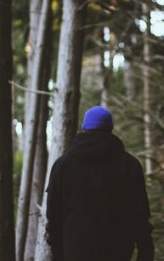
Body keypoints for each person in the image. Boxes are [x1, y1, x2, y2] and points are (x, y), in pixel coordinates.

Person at [46, 106, 154, 261]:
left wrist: (58, 255)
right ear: (110, 129)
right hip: (118, 254)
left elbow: (54, 219)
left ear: (84, 128)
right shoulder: (129, 165)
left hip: (75, 254)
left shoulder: (63, 165)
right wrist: (145, 254)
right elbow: (140, 217)